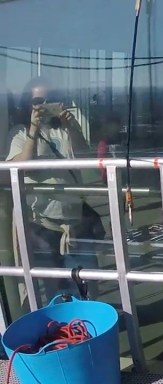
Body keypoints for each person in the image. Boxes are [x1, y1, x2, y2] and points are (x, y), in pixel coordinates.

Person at [7, 77, 104, 301]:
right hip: (43, 224)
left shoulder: (65, 129)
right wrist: (33, 128)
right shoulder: (19, 132)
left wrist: (71, 126)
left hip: (76, 222)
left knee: (88, 286)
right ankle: (62, 329)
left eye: (51, 100)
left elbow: (84, 157)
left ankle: (89, 325)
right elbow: (22, 167)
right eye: (39, 101)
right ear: (27, 104)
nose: (45, 105)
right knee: (56, 291)